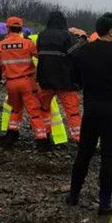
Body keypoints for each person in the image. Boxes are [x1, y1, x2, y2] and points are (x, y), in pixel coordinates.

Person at [66, 13, 112, 214]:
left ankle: (73, 195)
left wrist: (85, 86)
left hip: (91, 109)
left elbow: (74, 79)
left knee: (84, 153)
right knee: (108, 157)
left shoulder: (83, 51)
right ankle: (104, 204)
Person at [0, 16, 49, 148]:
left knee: (15, 109)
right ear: (21, 28)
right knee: (34, 111)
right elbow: (40, 56)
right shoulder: (28, 43)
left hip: (11, 83)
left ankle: (11, 134)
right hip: (27, 82)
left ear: (8, 28)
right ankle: (42, 140)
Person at [36, 11, 82, 142]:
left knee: (44, 109)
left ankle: (44, 136)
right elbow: (76, 56)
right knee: (72, 112)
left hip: (44, 81)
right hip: (65, 81)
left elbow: (39, 54)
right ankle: (79, 139)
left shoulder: (41, 35)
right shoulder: (67, 36)